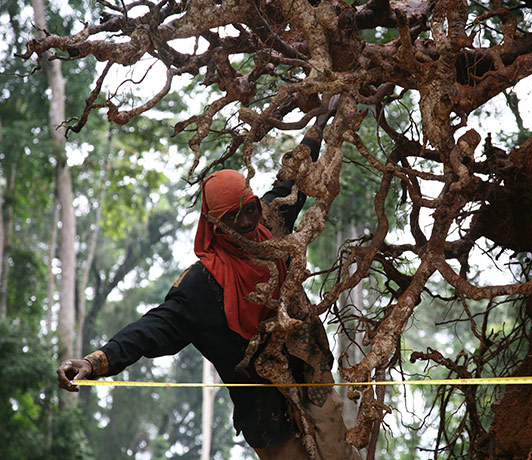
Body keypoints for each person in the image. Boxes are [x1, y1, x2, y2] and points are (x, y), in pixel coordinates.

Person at [57, 97, 361, 460]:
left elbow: (292, 176)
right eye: (235, 217)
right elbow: (150, 328)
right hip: (264, 415)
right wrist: (94, 362)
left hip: (310, 374)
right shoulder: (200, 286)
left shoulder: (270, 220)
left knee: (340, 451)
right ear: (214, 224)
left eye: (250, 210)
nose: (248, 223)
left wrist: (321, 121)